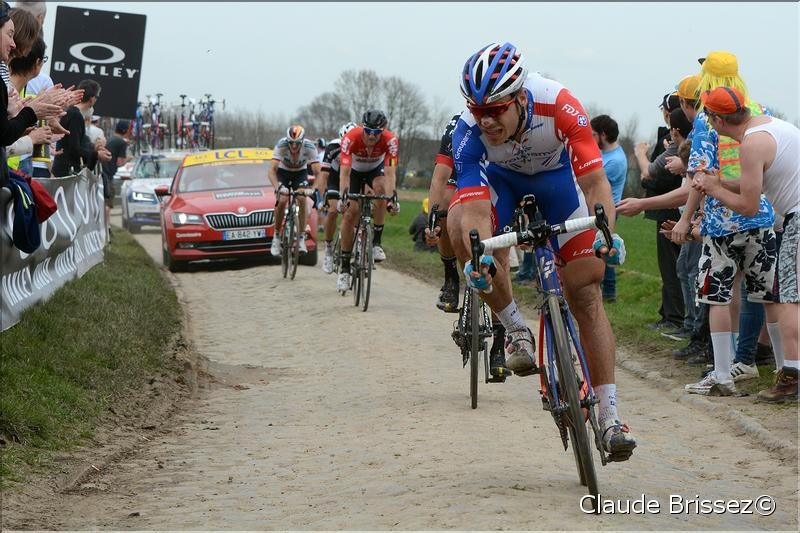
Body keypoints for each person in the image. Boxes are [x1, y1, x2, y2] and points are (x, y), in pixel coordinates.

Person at [449, 42, 635, 460]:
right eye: (479, 111)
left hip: (557, 183)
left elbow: (593, 183)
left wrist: (607, 232)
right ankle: (514, 328)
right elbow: (476, 207)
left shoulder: (560, 103)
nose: (487, 120)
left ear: (519, 97)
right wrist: (479, 255)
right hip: (503, 185)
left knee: (586, 292)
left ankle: (608, 414)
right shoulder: (467, 131)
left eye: (496, 109)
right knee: (468, 239)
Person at [668, 53, 777, 397]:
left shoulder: (706, 119)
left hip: (721, 222)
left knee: (717, 297)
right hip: (761, 216)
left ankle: (722, 373)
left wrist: (686, 219)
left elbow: (701, 177)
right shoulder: (759, 111)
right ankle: (786, 371)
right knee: (768, 297)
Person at [692, 86, 798, 402]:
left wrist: (712, 187)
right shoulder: (772, 125)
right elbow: (754, 183)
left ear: (717, 119)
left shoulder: (750, 145)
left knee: (789, 299)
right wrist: (721, 181)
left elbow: (748, 205)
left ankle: (791, 377)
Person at [425, 113, 510, 379]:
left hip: (499, 183)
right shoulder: (457, 128)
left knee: (500, 262)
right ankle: (452, 279)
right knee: (447, 211)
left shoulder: (508, 125)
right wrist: (433, 215)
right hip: (465, 180)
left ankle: (499, 346)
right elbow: (440, 177)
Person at [336, 109, 400, 291]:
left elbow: (390, 173)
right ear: (363, 128)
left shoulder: (391, 140)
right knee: (350, 213)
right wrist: (343, 196)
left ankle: (376, 243)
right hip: (354, 172)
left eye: (376, 132)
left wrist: (391, 199)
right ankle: (345, 269)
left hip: (375, 170)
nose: (372, 136)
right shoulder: (350, 138)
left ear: (383, 130)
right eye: (369, 131)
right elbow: (345, 172)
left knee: (381, 191)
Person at [591, 114, 627, 303]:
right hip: (596, 210)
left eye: (593, 134)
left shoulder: (615, 161)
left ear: (603, 135)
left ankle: (609, 294)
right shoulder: (605, 155)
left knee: (606, 249)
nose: (591, 138)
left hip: (606, 213)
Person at [268, 124, 321, 256]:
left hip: (300, 173)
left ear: (302, 141)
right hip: (283, 173)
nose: (294, 147)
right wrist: (277, 187)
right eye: (291, 143)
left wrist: (313, 189)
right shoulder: (281, 145)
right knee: (282, 199)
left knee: (302, 198)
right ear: (287, 141)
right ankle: (276, 236)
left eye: (297, 143)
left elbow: (319, 173)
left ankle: (302, 237)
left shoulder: (309, 147)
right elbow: (272, 170)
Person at [6, 34, 49, 176]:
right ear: (37, 63)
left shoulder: (16, 91)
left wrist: (24, 130)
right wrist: (32, 138)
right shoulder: (7, 92)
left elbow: (8, 132)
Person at [318, 121, 356, 274]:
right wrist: (322, 199)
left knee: (352, 213)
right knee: (333, 211)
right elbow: (323, 175)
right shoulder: (333, 147)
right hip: (334, 179)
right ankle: (328, 248)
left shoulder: (362, 148)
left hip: (353, 179)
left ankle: (357, 247)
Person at [51, 79, 109, 177]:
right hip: (67, 171)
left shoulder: (72, 113)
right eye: (97, 97)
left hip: (63, 168)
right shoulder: (75, 116)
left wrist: (94, 149)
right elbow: (74, 147)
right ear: (92, 99)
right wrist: (96, 155)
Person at [101, 119, 131, 219]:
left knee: (104, 202)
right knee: (108, 204)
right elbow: (120, 163)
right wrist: (128, 159)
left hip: (102, 174)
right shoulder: (121, 143)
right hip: (108, 176)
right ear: (125, 131)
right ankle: (107, 227)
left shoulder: (110, 139)